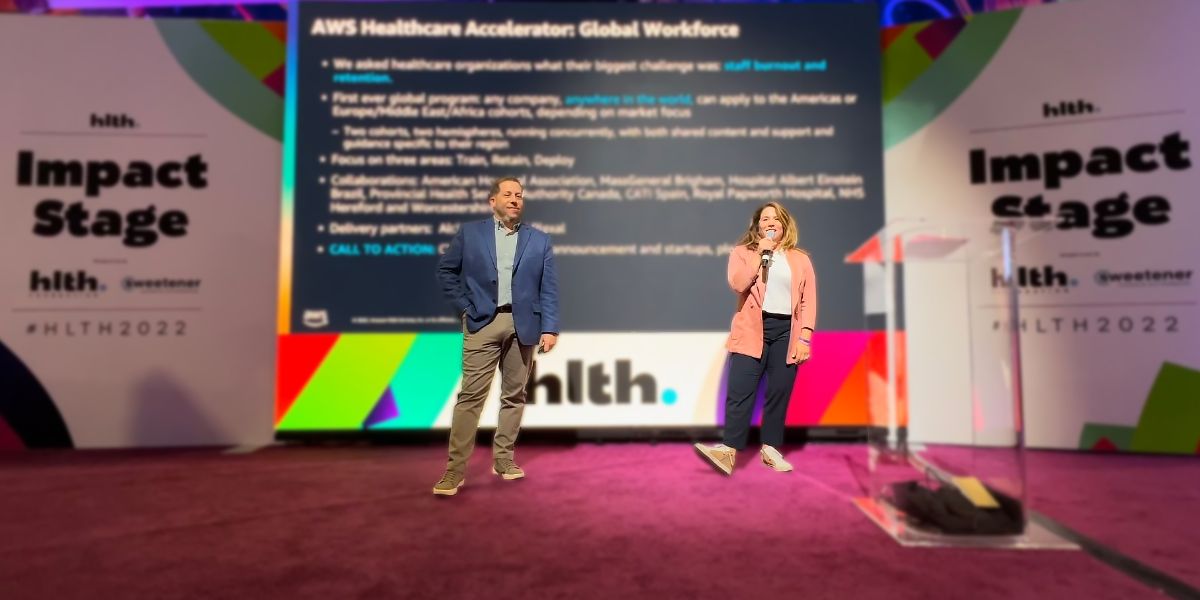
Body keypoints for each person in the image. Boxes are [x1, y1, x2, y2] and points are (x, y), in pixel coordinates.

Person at [432, 176, 559, 496]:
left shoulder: (540, 240)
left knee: (514, 396)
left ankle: (504, 460)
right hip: (482, 323)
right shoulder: (470, 233)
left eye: (519, 195)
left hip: (524, 325)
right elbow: (446, 271)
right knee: (470, 398)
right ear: (493, 201)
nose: (515, 199)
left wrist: (550, 327)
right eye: (508, 194)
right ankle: (454, 471)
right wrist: (465, 307)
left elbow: (548, 287)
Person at [695, 201, 816, 476]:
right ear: (758, 226)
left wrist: (804, 338)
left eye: (775, 218)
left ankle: (771, 449)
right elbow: (738, 283)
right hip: (752, 328)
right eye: (764, 219)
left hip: (787, 331)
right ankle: (728, 452)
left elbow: (808, 301)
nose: (770, 222)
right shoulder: (743, 253)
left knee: (779, 393)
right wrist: (760, 254)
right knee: (739, 393)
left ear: (784, 224)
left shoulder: (800, 259)